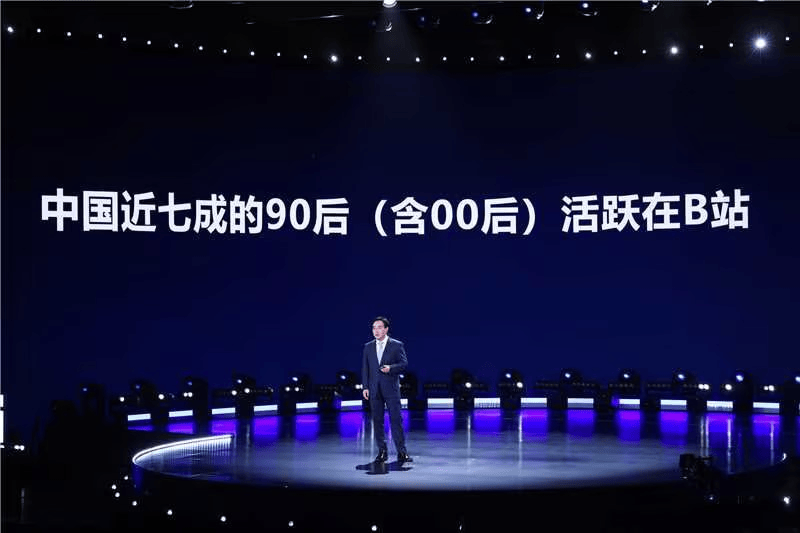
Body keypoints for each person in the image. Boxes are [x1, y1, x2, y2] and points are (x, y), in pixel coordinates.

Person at [361, 316, 412, 464]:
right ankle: (382, 452)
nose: (375, 331)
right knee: (377, 421)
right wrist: (365, 387)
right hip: (374, 389)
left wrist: (391, 368)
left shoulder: (396, 345)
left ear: (386, 329)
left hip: (391, 389)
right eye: (373, 328)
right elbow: (365, 368)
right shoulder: (368, 347)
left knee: (396, 420)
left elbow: (403, 364)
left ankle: (402, 452)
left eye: (379, 327)